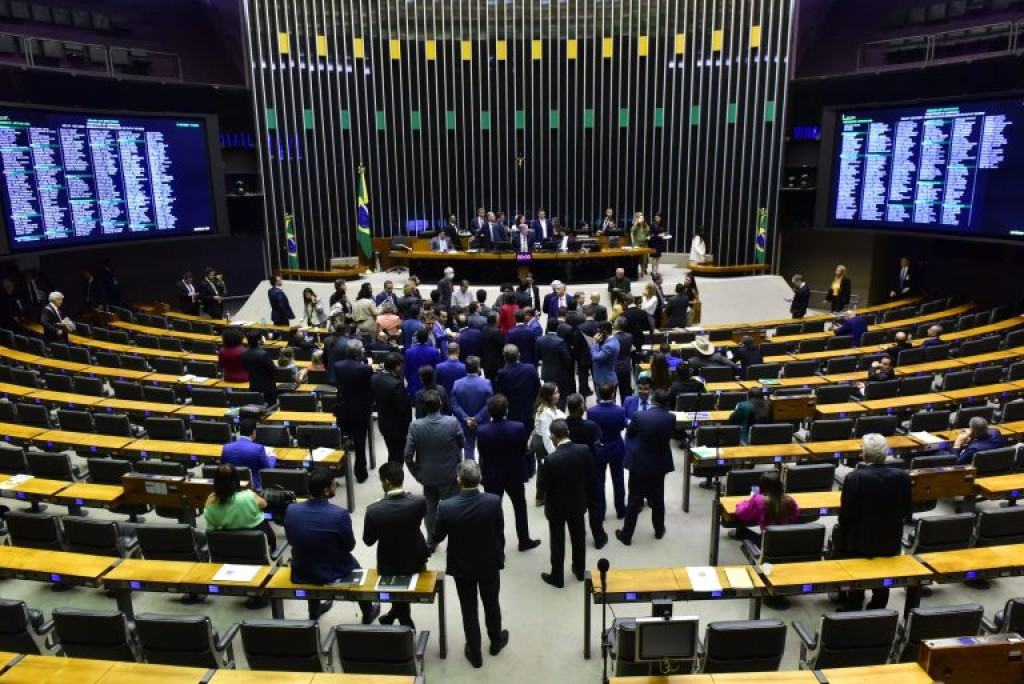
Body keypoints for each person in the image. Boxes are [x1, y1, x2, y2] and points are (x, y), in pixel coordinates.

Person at [434, 461, 508, 668]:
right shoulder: (494, 501)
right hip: (489, 562)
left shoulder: (446, 507)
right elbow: (499, 530)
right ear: (480, 478)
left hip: (462, 565)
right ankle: (495, 642)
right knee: (491, 602)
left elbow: (438, 535)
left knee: (469, 609)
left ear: (459, 480)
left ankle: (475, 655)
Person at [284, 469, 380, 622]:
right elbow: (349, 546)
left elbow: (291, 540)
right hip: (330, 570)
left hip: (302, 569)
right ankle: (368, 611)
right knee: (355, 566)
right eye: (334, 484)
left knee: (309, 554)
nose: (336, 486)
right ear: (326, 490)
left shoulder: (291, 509)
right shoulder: (339, 514)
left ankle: (314, 612)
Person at [835, 433, 912, 611]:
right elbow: (906, 510)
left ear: (865, 454)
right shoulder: (902, 476)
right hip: (890, 539)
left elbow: (846, 514)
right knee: (883, 577)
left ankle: (853, 605)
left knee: (856, 572)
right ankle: (878, 607)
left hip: (860, 540)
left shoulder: (855, 478)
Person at [362, 462, 429, 628]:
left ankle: (406, 624)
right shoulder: (419, 501)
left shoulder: (374, 510)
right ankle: (394, 613)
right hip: (415, 557)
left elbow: (368, 541)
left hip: (389, 562)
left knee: (398, 595)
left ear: (387, 481)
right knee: (400, 592)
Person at [477, 394, 540, 552]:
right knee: (520, 507)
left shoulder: (482, 430)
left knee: (495, 511)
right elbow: (524, 450)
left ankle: (499, 546)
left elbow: (482, 453)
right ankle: (524, 541)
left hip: (492, 475)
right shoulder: (518, 427)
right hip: (514, 473)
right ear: (506, 410)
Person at [404, 389, 464, 548]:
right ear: (441, 404)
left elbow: (408, 456)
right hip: (450, 474)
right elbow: (462, 443)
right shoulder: (452, 423)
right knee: (454, 507)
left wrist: (417, 473)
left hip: (427, 476)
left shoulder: (415, 426)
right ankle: (457, 539)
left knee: (430, 510)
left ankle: (431, 541)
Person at [616, 389, 675, 545]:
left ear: (653, 400)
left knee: (634, 499)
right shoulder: (671, 417)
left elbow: (630, 434)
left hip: (640, 464)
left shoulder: (639, 416)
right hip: (659, 463)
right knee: (658, 498)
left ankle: (626, 535)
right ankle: (659, 530)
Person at [540, 419, 593, 588]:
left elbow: (543, 487)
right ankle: (579, 570)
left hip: (557, 507)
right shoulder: (584, 450)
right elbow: (591, 475)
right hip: (578, 502)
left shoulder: (550, 460)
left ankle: (557, 577)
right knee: (578, 537)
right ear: (568, 432)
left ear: (553, 437)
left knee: (557, 540)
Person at [204, 463, 275, 558]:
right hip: (261, 548)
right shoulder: (249, 495)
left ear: (216, 482)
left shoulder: (210, 504)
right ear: (237, 481)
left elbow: (210, 532)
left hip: (230, 552)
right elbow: (264, 504)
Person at [332, 339, 373, 483]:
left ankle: (341, 469)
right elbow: (369, 388)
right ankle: (360, 473)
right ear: (360, 352)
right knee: (360, 442)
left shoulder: (338, 366)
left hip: (343, 408)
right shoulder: (366, 369)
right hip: (361, 409)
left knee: (343, 440)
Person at [587, 382, 627, 523]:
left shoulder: (591, 412)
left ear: (598, 393)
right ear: (613, 393)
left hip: (599, 449)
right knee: (618, 479)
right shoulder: (620, 410)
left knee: (599, 481)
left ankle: (600, 513)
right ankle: (621, 510)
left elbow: (591, 430)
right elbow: (622, 427)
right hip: (616, 447)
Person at [732, 471, 800, 542]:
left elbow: (740, 512)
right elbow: (796, 514)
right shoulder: (790, 500)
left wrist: (749, 498)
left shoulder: (759, 500)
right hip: (787, 540)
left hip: (767, 542)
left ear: (762, 487)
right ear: (780, 485)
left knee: (741, 532)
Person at [372, 352, 412, 464]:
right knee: (398, 456)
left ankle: (391, 470)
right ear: (396, 366)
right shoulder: (396, 385)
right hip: (397, 428)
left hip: (383, 423)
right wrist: (408, 425)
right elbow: (404, 409)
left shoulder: (374, 379)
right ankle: (394, 473)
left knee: (392, 452)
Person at [452, 357, 493, 461]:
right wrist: (477, 418)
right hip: (483, 422)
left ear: (465, 368)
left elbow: (455, 405)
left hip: (464, 423)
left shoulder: (457, 384)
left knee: (468, 449)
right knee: (484, 450)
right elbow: (489, 405)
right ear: (479, 368)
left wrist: (467, 419)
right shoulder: (487, 383)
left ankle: (469, 470)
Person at [531, 382, 565, 506]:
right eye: (555, 393)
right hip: (543, 443)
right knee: (544, 470)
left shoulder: (549, 407)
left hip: (543, 440)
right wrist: (554, 453)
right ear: (548, 395)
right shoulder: (545, 412)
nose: (558, 395)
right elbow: (546, 436)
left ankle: (541, 495)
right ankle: (541, 497)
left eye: (558, 392)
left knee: (543, 469)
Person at [494, 345, 541, 434]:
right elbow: (538, 389)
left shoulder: (502, 373)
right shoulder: (530, 368)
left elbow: (498, 394)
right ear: (519, 355)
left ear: (504, 357)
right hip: (529, 410)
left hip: (512, 413)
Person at [221, 417, 275, 490]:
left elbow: (222, 468)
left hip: (231, 487)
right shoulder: (259, 449)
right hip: (253, 488)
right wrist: (272, 456)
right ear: (253, 432)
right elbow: (268, 469)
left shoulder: (226, 448)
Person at [536, 319, 574, 408]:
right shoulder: (560, 341)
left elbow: (538, 357)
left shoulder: (540, 340)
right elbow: (567, 360)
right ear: (557, 327)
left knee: (548, 396)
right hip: (560, 374)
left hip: (546, 373)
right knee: (561, 397)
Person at [404, 327, 443, 396]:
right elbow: (438, 369)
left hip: (414, 384)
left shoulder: (408, 352)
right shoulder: (434, 351)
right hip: (430, 386)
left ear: (417, 338)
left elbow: (406, 370)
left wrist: (410, 380)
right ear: (427, 338)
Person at [242, 332, 277, 404]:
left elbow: (245, 368)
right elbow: (273, 370)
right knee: (272, 406)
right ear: (258, 341)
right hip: (268, 387)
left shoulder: (244, 354)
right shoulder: (264, 354)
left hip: (253, 385)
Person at [588, 321, 619, 392]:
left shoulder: (609, 346)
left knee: (603, 399)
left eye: (598, 332)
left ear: (604, 331)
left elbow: (596, 357)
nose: (597, 334)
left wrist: (594, 343)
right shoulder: (612, 340)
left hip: (605, 380)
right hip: (602, 377)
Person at [480, 312, 506, 382]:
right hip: (496, 362)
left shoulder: (483, 329)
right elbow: (503, 344)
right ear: (496, 319)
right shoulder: (497, 331)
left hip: (485, 360)